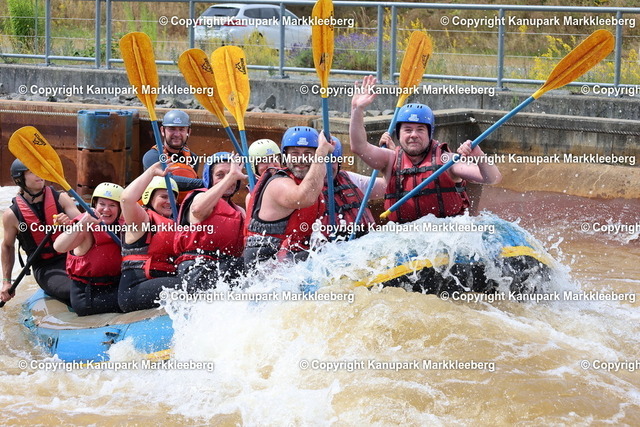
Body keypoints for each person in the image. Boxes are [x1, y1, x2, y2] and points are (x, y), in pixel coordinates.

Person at [350, 75, 502, 223]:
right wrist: (357, 109)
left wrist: (479, 155)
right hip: (402, 235)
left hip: (447, 235)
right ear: (399, 134)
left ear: (430, 133)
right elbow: (359, 146)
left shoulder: (447, 161)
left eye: (420, 129)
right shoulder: (390, 160)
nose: (414, 135)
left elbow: (493, 178)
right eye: (408, 130)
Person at [244, 126, 333, 265]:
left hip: (292, 259)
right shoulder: (278, 183)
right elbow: (304, 198)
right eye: (295, 153)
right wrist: (321, 153)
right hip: (266, 267)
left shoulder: (310, 181)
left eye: (308, 153)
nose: (301, 159)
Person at [1, 160, 81, 305]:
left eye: (40, 170)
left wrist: (70, 223)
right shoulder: (12, 215)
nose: (39, 174)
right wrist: (6, 282)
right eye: (32, 172)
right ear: (20, 179)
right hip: (46, 266)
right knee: (73, 291)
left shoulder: (61, 198)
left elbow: (86, 227)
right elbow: (7, 246)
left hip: (73, 256)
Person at [174, 152, 246, 290]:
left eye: (231, 174)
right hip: (197, 269)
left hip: (226, 268)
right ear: (210, 178)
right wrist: (230, 176)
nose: (228, 179)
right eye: (220, 175)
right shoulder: (200, 197)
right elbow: (197, 209)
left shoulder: (240, 212)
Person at [53, 183, 124, 316]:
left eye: (112, 205)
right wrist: (82, 222)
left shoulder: (123, 226)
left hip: (115, 286)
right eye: (102, 204)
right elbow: (59, 247)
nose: (106, 209)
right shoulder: (86, 228)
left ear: (120, 209)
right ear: (94, 205)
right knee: (132, 299)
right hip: (89, 296)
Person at [119, 166, 182, 312]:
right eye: (163, 197)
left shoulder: (177, 225)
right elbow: (126, 199)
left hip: (161, 283)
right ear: (149, 197)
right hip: (135, 289)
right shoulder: (142, 219)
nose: (169, 201)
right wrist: (151, 172)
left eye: (172, 197)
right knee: (192, 286)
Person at [321, 137, 386, 239]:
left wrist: (390, 157)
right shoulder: (303, 190)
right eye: (321, 161)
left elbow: (387, 187)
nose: (326, 167)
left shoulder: (350, 178)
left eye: (332, 160)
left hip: (365, 243)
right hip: (330, 247)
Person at [141, 109, 203, 200]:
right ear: (162, 131)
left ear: (188, 132)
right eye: (172, 129)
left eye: (181, 129)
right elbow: (168, 180)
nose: (177, 134)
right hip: (158, 205)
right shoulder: (152, 156)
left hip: (182, 204)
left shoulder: (192, 158)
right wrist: (204, 183)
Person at [246, 138, 282, 207]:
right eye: (264, 161)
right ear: (255, 166)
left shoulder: (290, 183)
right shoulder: (251, 197)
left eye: (274, 159)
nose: (271, 166)